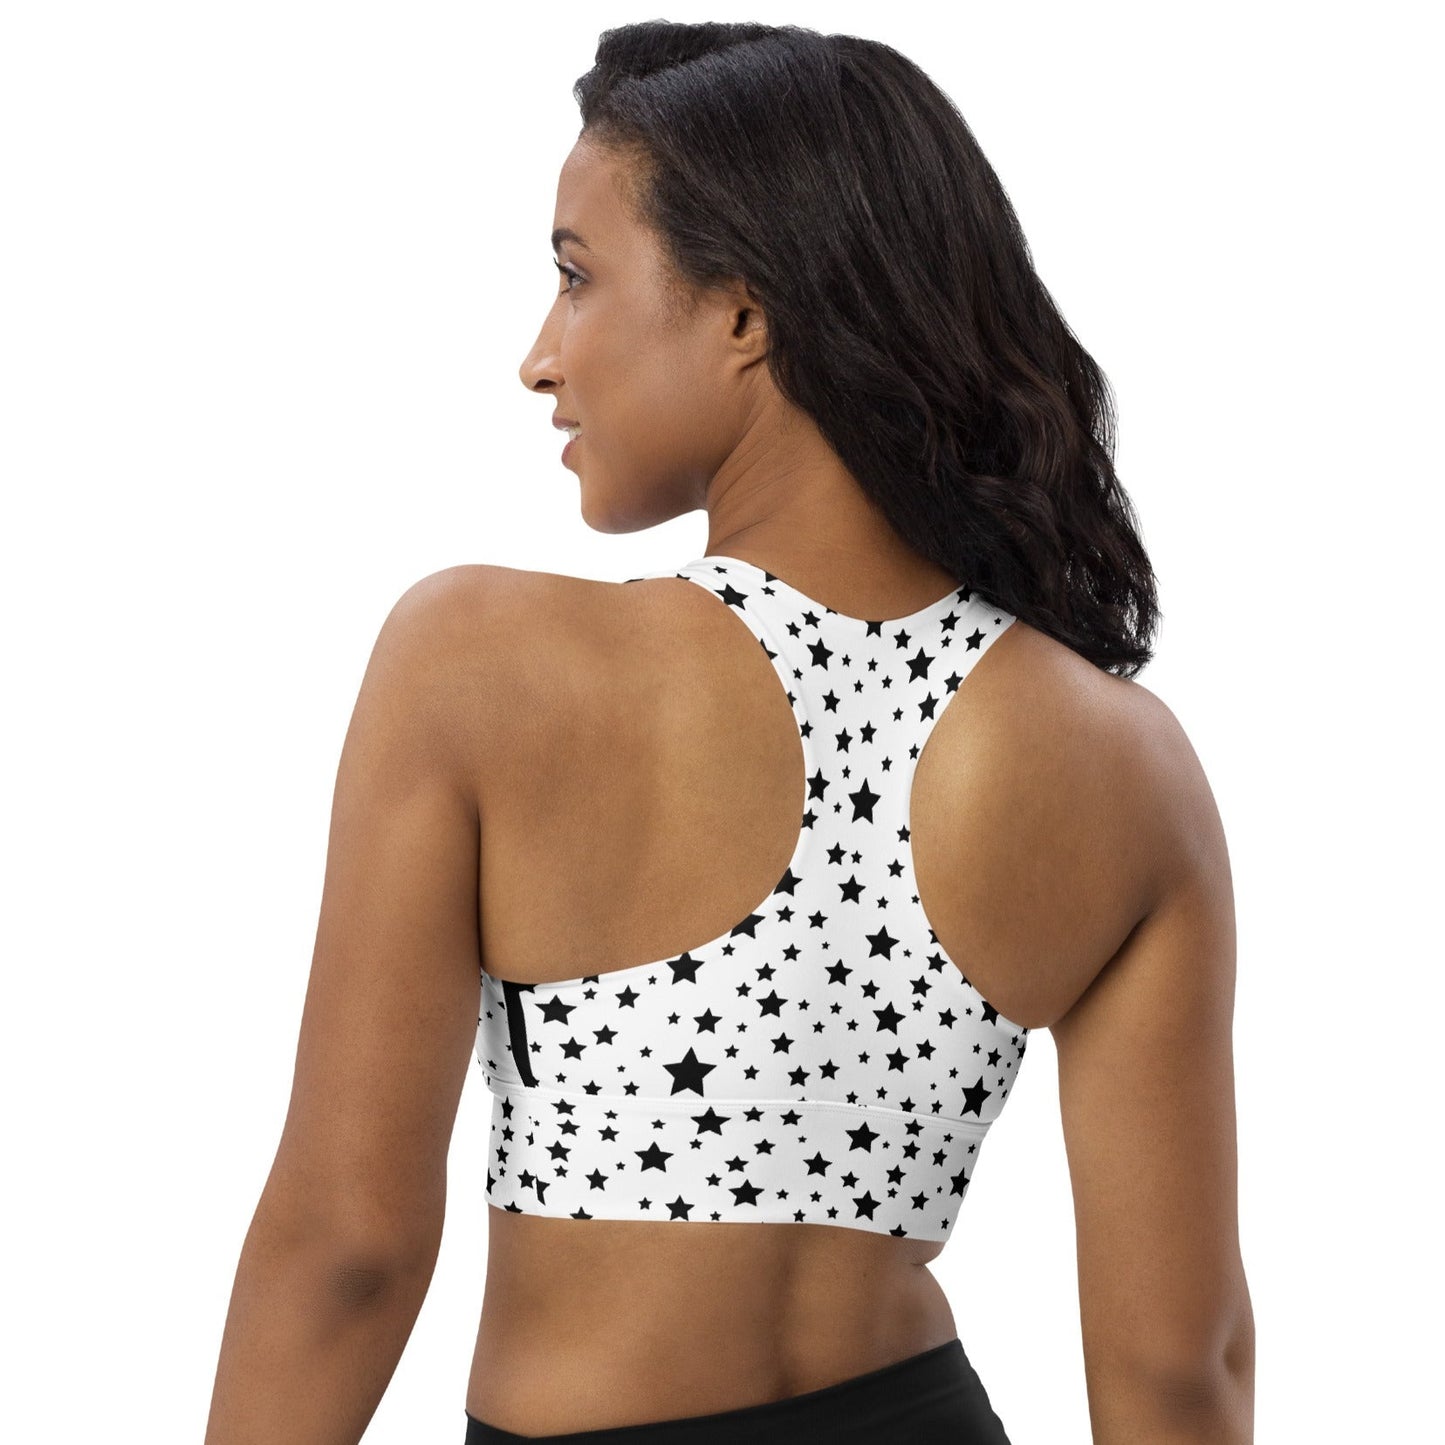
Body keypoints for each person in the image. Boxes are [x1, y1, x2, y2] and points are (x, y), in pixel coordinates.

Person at [205, 21, 1254, 1445]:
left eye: (577, 275)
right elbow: (1180, 1367)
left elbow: (347, 1248)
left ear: (746, 315)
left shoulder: (479, 662)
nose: (538, 357)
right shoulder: (1127, 762)